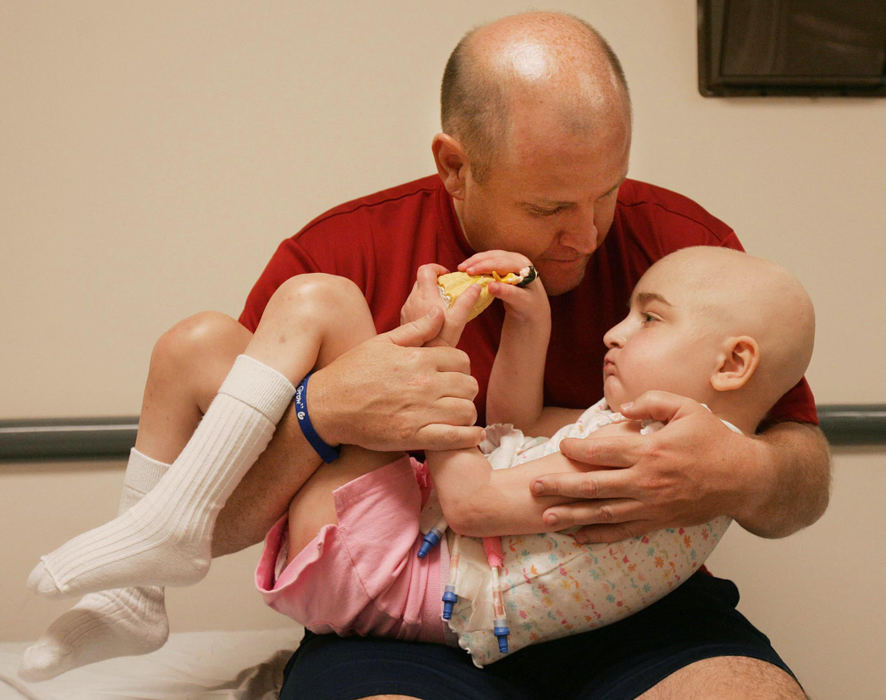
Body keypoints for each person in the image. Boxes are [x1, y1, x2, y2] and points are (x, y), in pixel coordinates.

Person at [22, 10, 829, 697]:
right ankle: (136, 593)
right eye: (550, 207)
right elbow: (219, 525)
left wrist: (739, 473)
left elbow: (802, 473)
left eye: (607, 192)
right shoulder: (337, 254)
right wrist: (320, 415)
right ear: (454, 166)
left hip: (637, 617)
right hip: (414, 611)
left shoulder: (684, 253)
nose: (586, 236)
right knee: (209, 342)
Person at [255, 245, 815, 672]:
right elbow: (517, 428)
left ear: (733, 363)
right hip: (394, 559)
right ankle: (174, 509)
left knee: (328, 307)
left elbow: (473, 506)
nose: (612, 334)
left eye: (650, 319)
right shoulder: (659, 434)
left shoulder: (657, 453)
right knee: (263, 338)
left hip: (386, 572)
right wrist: (531, 324)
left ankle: (174, 512)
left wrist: (436, 349)